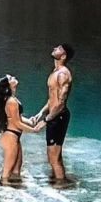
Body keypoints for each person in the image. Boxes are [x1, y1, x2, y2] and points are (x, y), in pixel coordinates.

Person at [31, 43, 74, 184]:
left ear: (63, 56)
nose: (55, 48)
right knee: (56, 156)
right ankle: (59, 179)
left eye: (59, 48)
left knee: (53, 158)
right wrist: (40, 114)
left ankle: (60, 186)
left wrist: (46, 121)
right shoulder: (55, 72)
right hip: (54, 115)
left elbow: (61, 103)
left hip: (58, 116)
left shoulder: (63, 74)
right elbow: (52, 99)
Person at [0, 74, 41, 185]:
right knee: (7, 172)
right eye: (11, 78)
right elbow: (17, 123)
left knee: (16, 170)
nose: (14, 77)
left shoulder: (13, 100)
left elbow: (17, 118)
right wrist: (33, 130)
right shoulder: (11, 102)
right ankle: (5, 194)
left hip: (14, 136)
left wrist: (29, 121)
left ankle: (15, 191)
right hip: (11, 137)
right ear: (8, 86)